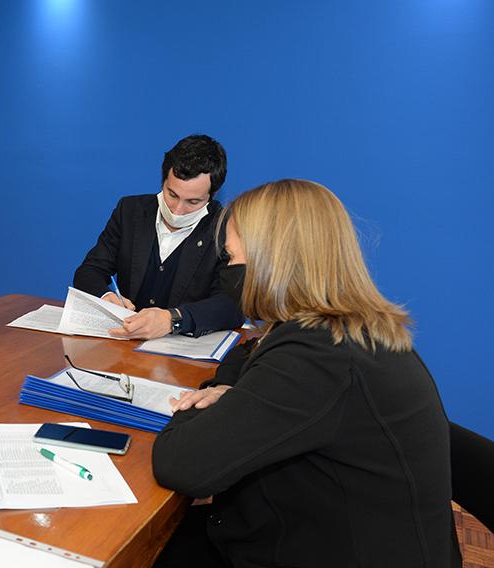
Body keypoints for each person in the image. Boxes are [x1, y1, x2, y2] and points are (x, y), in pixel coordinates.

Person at [152, 179, 460, 567]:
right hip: (312, 528)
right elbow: (251, 350)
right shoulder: (343, 330)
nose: (228, 271)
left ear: (272, 261)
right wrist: (229, 385)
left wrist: (204, 401)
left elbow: (181, 464)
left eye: (232, 258)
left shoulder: (318, 355)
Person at [73, 134, 243, 340]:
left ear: (211, 196)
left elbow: (232, 305)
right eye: (172, 194)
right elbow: (89, 271)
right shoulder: (130, 211)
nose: (178, 210)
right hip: (127, 345)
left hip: (183, 352)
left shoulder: (227, 228)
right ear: (163, 181)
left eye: (193, 202)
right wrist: (106, 296)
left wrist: (174, 319)